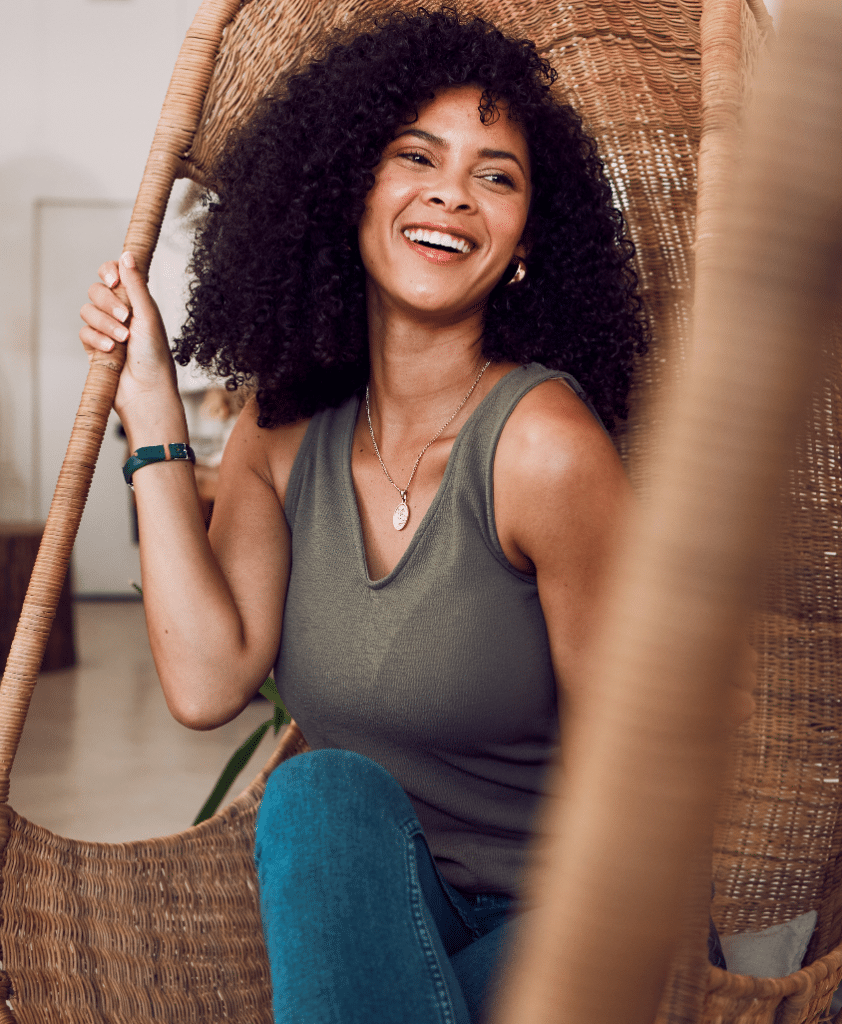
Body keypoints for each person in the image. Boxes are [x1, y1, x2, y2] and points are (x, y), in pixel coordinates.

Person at [79, 8, 742, 1022]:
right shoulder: (283, 427)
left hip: (574, 918)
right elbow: (209, 679)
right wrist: (154, 418)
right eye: (415, 155)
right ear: (352, 189)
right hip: (390, 912)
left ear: (525, 245)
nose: (451, 192)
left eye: (497, 175)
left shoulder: (542, 448)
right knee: (316, 794)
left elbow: (638, 780)